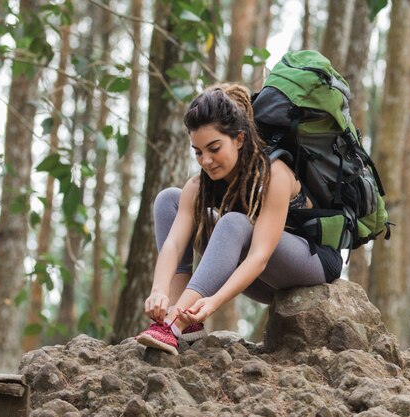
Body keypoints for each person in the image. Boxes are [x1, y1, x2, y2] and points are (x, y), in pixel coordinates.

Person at [135, 84, 342, 355]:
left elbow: (259, 256)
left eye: (214, 148)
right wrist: (158, 290)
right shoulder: (201, 184)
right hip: (255, 273)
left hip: (307, 263)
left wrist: (214, 301)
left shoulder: (274, 174)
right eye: (198, 152)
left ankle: (177, 320)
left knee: (233, 222)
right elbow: (173, 244)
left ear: (240, 139)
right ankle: (176, 319)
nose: (206, 161)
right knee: (168, 200)